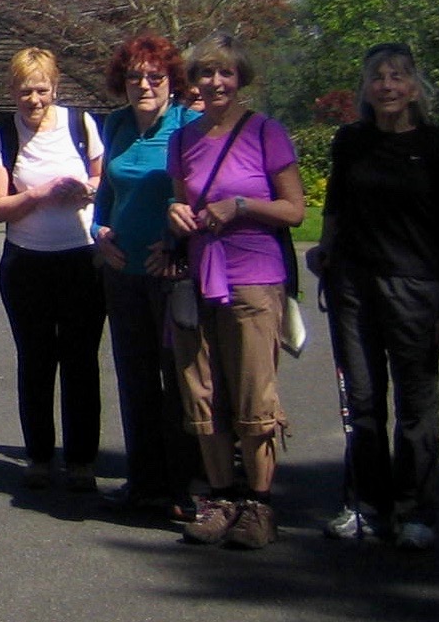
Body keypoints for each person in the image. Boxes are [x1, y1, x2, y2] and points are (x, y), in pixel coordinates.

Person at [311, 43, 439, 551]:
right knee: (360, 402)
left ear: (413, 86)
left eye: (398, 76)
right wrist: (327, 250)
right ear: (366, 88)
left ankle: (414, 512)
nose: (387, 85)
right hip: (353, 289)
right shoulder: (352, 141)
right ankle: (366, 506)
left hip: (415, 287)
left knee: (415, 405)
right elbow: (336, 204)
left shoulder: (436, 145)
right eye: (378, 77)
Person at [166, 33, 304, 549]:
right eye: (206, 73)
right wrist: (175, 214)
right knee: (202, 391)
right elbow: (183, 205)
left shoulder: (265, 132)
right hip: (200, 273)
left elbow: (294, 210)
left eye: (225, 73)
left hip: (253, 275)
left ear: (241, 77)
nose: (215, 82)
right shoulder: (183, 141)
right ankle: (220, 498)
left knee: (252, 392)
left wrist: (243, 205)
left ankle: (259, 505)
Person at [0, 46, 106, 492]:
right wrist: (42, 194)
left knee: (80, 362)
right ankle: (38, 456)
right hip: (26, 263)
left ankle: (81, 462)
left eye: (41, 90)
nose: (33, 100)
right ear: (12, 92)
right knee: (36, 361)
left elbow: (100, 177)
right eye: (24, 92)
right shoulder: (2, 135)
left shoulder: (81, 124)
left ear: (55, 88)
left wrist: (86, 190)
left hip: (81, 257)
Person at [91, 36, 201, 513]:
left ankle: (185, 485)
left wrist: (179, 244)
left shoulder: (188, 127)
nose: (144, 85)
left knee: (179, 380)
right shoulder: (116, 124)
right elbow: (105, 197)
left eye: (155, 77)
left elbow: (201, 194)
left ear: (171, 82)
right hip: (124, 272)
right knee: (134, 377)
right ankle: (143, 480)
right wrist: (99, 233)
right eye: (135, 76)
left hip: (173, 272)